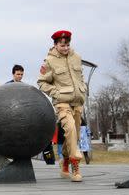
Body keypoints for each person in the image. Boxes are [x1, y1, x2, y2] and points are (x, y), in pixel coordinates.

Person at [38, 29, 87, 182]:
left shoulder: (76, 57)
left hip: (78, 102)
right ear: (56, 44)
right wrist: (56, 92)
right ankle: (75, 166)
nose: (65, 48)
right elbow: (41, 82)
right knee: (70, 128)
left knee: (74, 135)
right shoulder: (49, 61)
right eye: (62, 45)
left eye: (67, 45)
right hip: (62, 103)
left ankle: (64, 161)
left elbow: (80, 77)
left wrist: (83, 90)